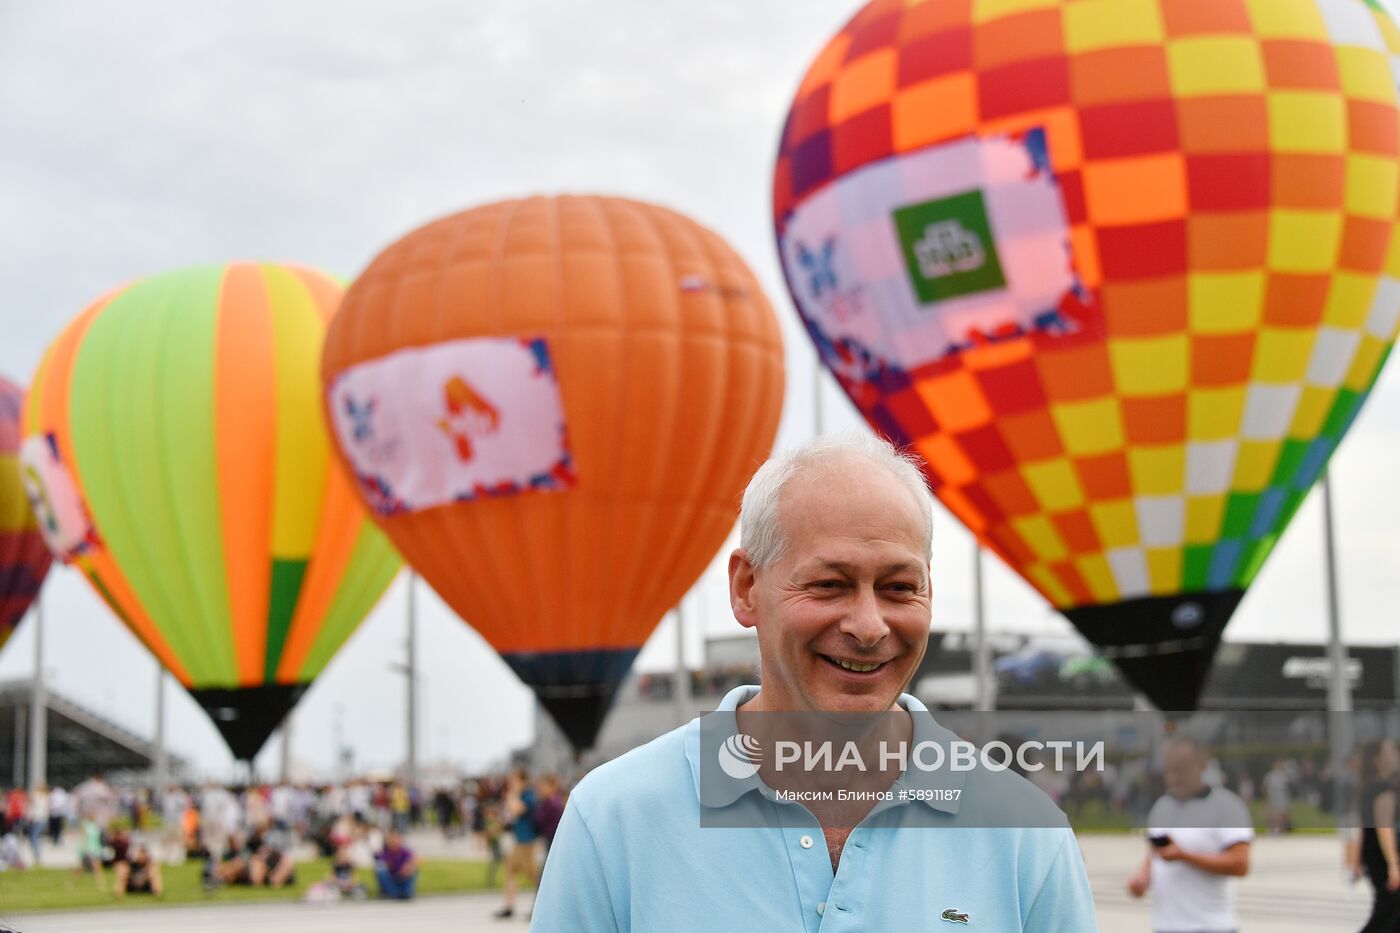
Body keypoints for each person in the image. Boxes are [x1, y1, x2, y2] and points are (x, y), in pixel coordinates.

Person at [531, 433, 1098, 931]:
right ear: (746, 587)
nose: (870, 627)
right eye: (830, 584)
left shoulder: (1027, 833)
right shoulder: (613, 821)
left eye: (900, 587)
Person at [1126, 735, 1253, 933]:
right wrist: (1142, 877)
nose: (1174, 777)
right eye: (1169, 770)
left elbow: (1240, 864)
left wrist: (1184, 856)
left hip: (1211, 926)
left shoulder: (1227, 806)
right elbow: (1155, 853)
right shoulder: (1162, 807)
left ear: (1202, 766)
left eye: (1182, 770)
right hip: (1165, 926)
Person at [1356, 739, 1400, 931]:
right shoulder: (1383, 788)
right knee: (1388, 913)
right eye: (1391, 752)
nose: (1397, 756)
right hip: (1384, 859)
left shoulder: (1369, 786)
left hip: (1375, 857)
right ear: (1377, 759)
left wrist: (1357, 858)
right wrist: (1393, 864)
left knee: (1389, 912)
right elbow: (1384, 826)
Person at [493, 767, 539, 919]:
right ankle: (509, 906)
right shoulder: (520, 795)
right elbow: (509, 810)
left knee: (533, 875)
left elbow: (517, 809)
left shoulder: (529, 795)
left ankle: (539, 907)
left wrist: (512, 794)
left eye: (515, 780)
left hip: (528, 841)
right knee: (510, 872)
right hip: (519, 839)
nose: (512, 783)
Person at [373, 829, 420, 900]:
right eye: (391, 839)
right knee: (380, 870)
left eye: (395, 838)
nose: (393, 841)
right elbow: (377, 860)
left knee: (414, 870)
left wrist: (408, 867)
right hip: (392, 878)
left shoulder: (404, 851)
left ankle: (406, 892)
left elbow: (418, 858)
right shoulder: (385, 852)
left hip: (403, 876)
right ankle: (394, 893)